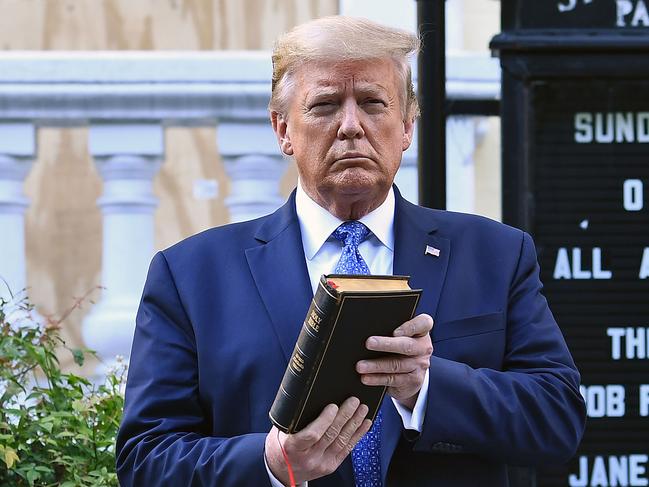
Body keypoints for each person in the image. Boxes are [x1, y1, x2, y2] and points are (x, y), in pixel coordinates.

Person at [116, 16, 586, 487]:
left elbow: (557, 418)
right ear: (282, 129)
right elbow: (145, 459)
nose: (350, 127)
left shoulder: (496, 255)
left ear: (406, 125)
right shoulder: (191, 276)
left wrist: (426, 385)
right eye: (324, 106)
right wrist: (271, 462)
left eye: (372, 103)